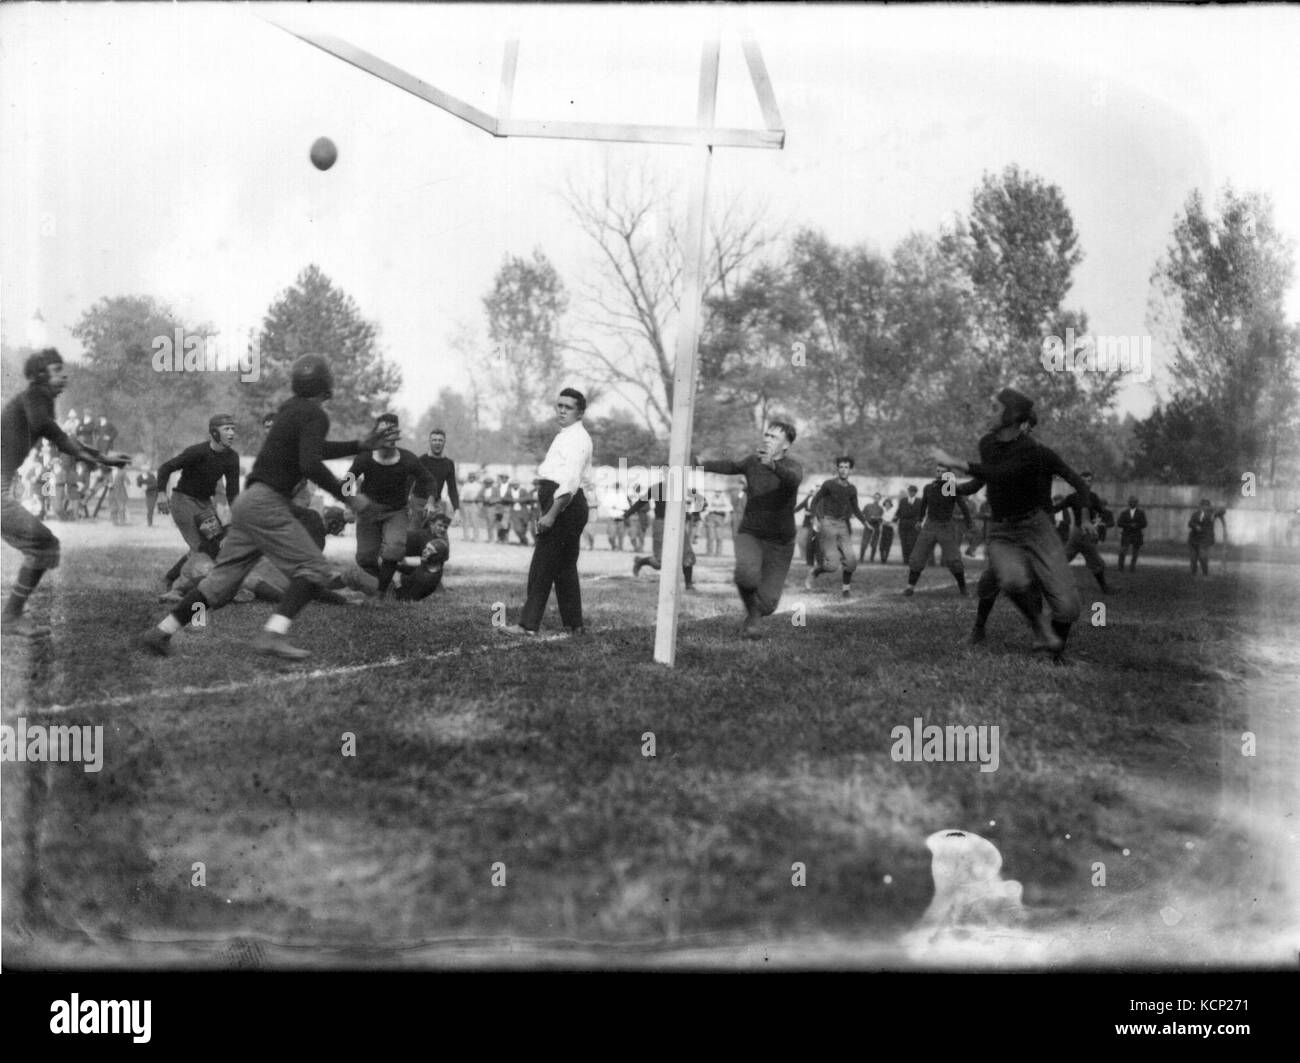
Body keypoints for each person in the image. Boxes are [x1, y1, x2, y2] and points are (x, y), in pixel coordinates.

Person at [139, 353, 398, 659]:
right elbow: (311, 463)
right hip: (268, 502)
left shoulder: (290, 409)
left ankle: (161, 632)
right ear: (326, 383)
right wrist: (349, 496)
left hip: (248, 503)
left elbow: (311, 451)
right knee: (314, 568)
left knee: (219, 583)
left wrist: (358, 445)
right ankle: (273, 634)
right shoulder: (316, 415)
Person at [931, 388, 1092, 659]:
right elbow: (981, 481)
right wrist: (949, 487)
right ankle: (983, 629)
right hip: (1005, 528)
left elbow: (1004, 474)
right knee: (998, 581)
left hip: (1038, 528)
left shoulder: (1038, 453)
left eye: (1029, 424)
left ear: (1020, 421)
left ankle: (1053, 651)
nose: (1027, 428)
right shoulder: (990, 445)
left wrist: (1085, 518)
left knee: (1065, 604)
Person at [2, 349, 126, 638]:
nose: (64, 374)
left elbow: (59, 436)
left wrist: (100, 457)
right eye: (57, 369)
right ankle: (10, 616)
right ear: (40, 375)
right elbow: (51, 431)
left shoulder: (35, 399)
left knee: (42, 544)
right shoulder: (36, 396)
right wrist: (99, 457)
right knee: (43, 545)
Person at [501, 389, 592, 636]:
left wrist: (551, 514)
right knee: (564, 568)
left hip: (564, 505)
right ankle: (574, 624)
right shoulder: (566, 435)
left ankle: (527, 625)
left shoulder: (578, 438)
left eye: (568, 407)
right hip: (564, 503)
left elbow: (570, 482)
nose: (562, 410)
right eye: (559, 405)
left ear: (580, 412)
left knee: (542, 566)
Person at [700, 421, 802, 638]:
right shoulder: (752, 461)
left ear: (786, 445)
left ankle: (754, 614)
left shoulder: (793, 466)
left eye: (774, 437)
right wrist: (701, 463)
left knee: (768, 605)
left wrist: (773, 466)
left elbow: (793, 480)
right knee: (745, 576)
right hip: (751, 533)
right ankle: (753, 619)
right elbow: (730, 466)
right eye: (767, 435)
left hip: (780, 542)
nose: (767, 439)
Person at [347, 413, 434, 597]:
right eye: (382, 432)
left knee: (394, 549)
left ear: (397, 434)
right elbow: (348, 480)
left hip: (396, 511)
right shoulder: (364, 457)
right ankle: (384, 582)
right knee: (365, 557)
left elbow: (428, 479)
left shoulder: (408, 459)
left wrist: (431, 501)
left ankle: (380, 593)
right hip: (369, 511)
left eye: (391, 431)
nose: (387, 436)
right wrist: (349, 503)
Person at [157, 413, 241, 558]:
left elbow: (233, 493)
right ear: (214, 432)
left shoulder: (232, 457)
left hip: (205, 505)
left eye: (233, 429)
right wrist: (162, 494)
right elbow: (165, 468)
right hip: (183, 502)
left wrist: (234, 523)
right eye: (227, 429)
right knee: (202, 549)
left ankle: (168, 579)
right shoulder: (197, 452)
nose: (232, 433)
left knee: (217, 546)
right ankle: (172, 580)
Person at [902, 465, 973, 597]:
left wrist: (969, 523)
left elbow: (963, 506)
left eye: (942, 472)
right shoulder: (929, 488)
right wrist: (919, 520)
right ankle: (910, 587)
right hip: (930, 525)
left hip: (945, 526)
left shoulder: (951, 488)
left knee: (953, 560)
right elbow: (923, 505)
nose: (939, 473)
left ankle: (963, 589)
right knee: (917, 558)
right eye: (938, 471)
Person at [804, 456, 866, 597]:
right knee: (832, 566)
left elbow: (856, 508)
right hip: (828, 523)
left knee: (851, 562)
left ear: (850, 469)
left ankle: (846, 590)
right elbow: (815, 500)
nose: (844, 470)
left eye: (846, 467)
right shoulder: (828, 485)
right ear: (837, 468)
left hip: (842, 524)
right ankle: (814, 571)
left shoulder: (851, 489)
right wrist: (816, 518)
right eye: (841, 467)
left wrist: (865, 522)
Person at [628, 478, 697, 590]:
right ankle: (640, 561)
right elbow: (641, 502)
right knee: (659, 562)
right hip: (661, 523)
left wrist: (690, 514)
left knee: (687, 554)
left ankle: (688, 584)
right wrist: (627, 514)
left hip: (677, 523)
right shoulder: (656, 488)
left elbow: (693, 502)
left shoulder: (680, 489)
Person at [1054, 470, 1114, 594]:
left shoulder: (1093, 497)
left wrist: (1099, 521)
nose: (1086, 483)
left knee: (1064, 559)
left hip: (1085, 533)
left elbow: (1102, 512)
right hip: (1079, 533)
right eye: (1083, 481)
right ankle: (1105, 588)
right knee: (1097, 562)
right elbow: (1057, 508)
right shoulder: (1072, 497)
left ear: (1092, 483)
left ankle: (1043, 583)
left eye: (1089, 481)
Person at [394, 511, 452, 602]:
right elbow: (426, 562)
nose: (442, 529)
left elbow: (442, 560)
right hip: (397, 549)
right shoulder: (426, 538)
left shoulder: (437, 538)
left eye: (445, 527)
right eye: (439, 525)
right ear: (431, 525)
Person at [413, 428, 459, 523]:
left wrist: (456, 509)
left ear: (444, 442)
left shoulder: (449, 463)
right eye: (434, 440)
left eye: (440, 440)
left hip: (436, 504)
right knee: (414, 535)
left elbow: (452, 488)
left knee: (440, 536)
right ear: (430, 441)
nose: (437, 443)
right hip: (418, 503)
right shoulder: (421, 460)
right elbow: (410, 482)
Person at [1188, 499, 1225, 576]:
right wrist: (1195, 526)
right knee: (1193, 559)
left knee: (1202, 557)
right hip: (1194, 539)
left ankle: (1205, 573)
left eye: (1206, 506)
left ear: (1209, 507)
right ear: (1200, 506)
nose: (1204, 508)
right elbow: (1190, 523)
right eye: (1202, 506)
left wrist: (1215, 512)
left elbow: (1222, 511)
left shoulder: (1212, 514)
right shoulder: (1196, 514)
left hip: (1205, 540)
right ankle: (1193, 574)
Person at [1116, 495, 1147, 573]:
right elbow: (1119, 523)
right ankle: (1120, 567)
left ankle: (1132, 568)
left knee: (1135, 553)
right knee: (1122, 551)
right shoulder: (1124, 513)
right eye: (1131, 502)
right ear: (1128, 503)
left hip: (1137, 534)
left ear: (1137, 503)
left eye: (1134, 502)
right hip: (1126, 534)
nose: (1132, 503)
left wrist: (1136, 525)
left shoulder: (1141, 513)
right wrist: (1129, 525)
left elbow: (1144, 523)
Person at [895, 485, 922, 566]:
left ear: (915, 492)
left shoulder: (919, 501)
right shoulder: (903, 501)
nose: (911, 493)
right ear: (908, 492)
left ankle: (911, 560)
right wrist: (894, 519)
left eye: (913, 491)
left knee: (912, 543)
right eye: (910, 491)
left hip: (913, 525)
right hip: (903, 525)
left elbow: (921, 514)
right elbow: (898, 512)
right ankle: (905, 560)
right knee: (904, 543)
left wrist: (919, 522)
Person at [858, 492, 885, 564]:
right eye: (875, 497)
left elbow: (881, 519)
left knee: (874, 544)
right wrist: (866, 522)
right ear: (873, 498)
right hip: (868, 526)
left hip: (876, 527)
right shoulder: (868, 506)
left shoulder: (881, 509)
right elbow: (862, 514)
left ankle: (872, 559)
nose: (876, 499)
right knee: (864, 543)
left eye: (878, 498)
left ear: (880, 499)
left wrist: (877, 518)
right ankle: (861, 558)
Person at [458, 472, 482, 541]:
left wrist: (476, 500)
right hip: (465, 504)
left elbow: (480, 495)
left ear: (475, 478)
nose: (471, 478)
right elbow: (461, 495)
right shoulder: (465, 485)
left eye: (472, 477)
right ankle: (466, 537)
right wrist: (463, 499)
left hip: (474, 504)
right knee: (465, 521)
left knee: (475, 521)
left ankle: (475, 537)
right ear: (468, 478)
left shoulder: (478, 485)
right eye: (470, 477)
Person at [879, 498, 897, 563]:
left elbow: (894, 520)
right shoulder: (883, 511)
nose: (887, 505)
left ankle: (885, 559)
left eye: (888, 504)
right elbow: (881, 520)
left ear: (890, 505)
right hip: (884, 529)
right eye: (886, 504)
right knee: (881, 545)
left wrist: (887, 522)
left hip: (890, 529)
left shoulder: (893, 511)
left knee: (887, 545)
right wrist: (884, 522)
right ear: (884, 504)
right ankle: (882, 559)